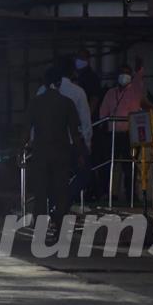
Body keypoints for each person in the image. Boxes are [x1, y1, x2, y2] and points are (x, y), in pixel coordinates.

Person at [24, 67, 85, 226]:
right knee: (61, 191)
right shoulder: (67, 103)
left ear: (44, 83)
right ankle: (59, 224)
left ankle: (40, 225)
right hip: (61, 153)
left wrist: (21, 149)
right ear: (59, 83)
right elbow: (75, 132)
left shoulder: (36, 103)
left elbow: (26, 129)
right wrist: (81, 153)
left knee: (40, 191)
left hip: (40, 152)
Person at [98, 57, 152, 200]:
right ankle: (108, 193)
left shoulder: (134, 90)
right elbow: (103, 112)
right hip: (113, 133)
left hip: (129, 133)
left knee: (129, 166)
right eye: (122, 73)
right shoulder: (110, 93)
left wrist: (139, 69)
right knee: (109, 165)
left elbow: (139, 79)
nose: (124, 76)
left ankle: (131, 194)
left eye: (127, 73)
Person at [58, 59, 92, 206]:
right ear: (73, 72)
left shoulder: (43, 90)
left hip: (49, 143)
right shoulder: (78, 92)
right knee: (85, 173)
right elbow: (85, 120)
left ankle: (56, 201)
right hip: (73, 142)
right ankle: (67, 198)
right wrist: (87, 144)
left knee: (56, 175)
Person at [74, 48, 102, 118]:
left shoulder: (92, 77)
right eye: (78, 57)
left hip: (86, 117)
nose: (79, 60)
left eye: (83, 58)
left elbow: (94, 99)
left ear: (88, 60)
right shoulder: (74, 75)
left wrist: (86, 116)